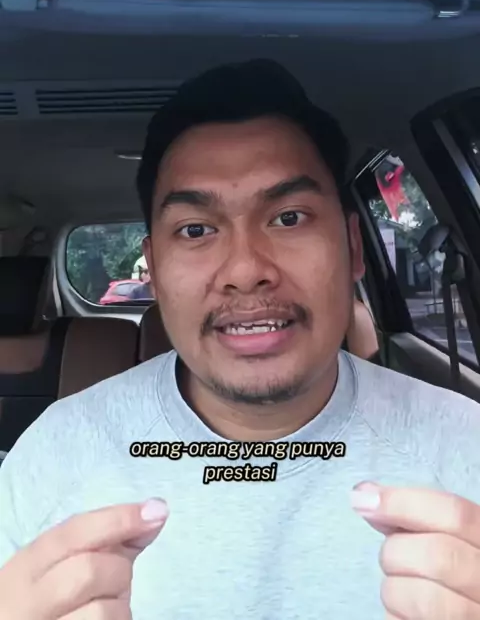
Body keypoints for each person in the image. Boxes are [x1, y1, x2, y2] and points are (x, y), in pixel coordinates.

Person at [0, 59, 480, 620]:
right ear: (155, 271)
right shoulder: (56, 455)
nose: (246, 270)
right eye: (196, 230)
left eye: (289, 217)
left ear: (353, 247)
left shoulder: (463, 447)